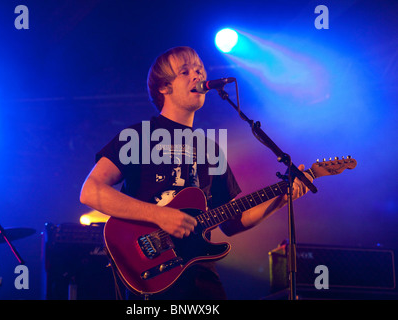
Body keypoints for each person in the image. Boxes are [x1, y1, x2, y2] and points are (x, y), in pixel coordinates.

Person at [80, 46, 312, 299]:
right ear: (164, 87)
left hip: (200, 273)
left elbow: (233, 222)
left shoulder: (209, 149)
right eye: (185, 71)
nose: (197, 76)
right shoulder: (137, 137)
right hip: (154, 270)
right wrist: (160, 216)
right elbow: (91, 191)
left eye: (199, 70)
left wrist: (281, 199)